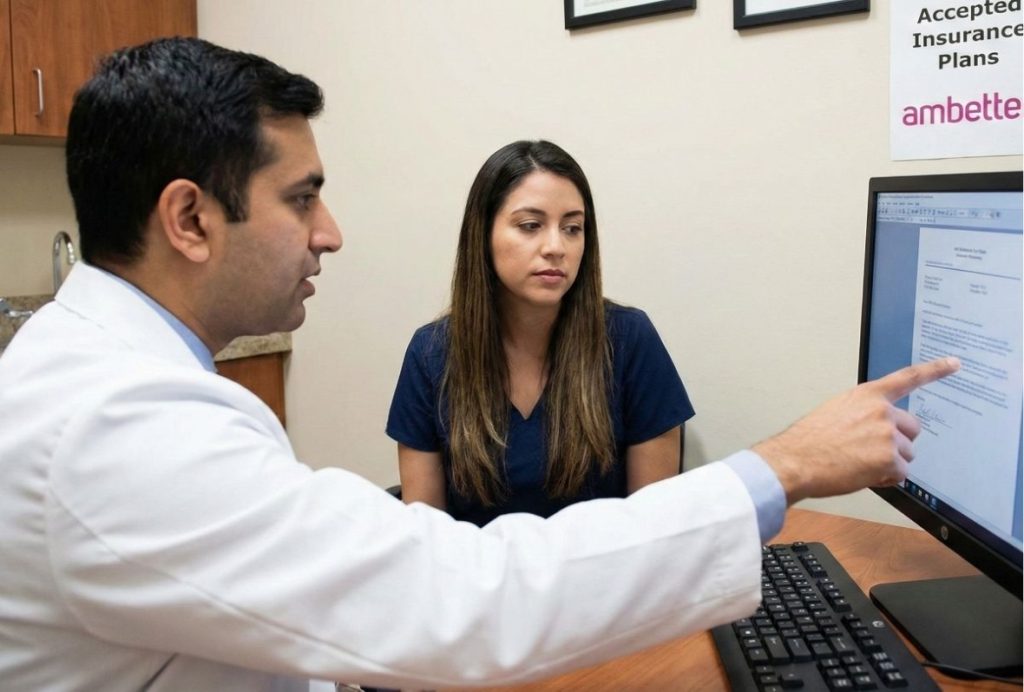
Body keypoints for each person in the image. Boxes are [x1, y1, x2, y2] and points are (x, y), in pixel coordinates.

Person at [0, 36, 958, 692]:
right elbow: (453, 590)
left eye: (572, 226)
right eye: (301, 200)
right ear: (190, 219)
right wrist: (782, 465)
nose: (330, 234)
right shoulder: (114, 426)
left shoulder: (112, 378)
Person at [387, 140, 694, 526]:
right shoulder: (431, 353)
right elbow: (427, 537)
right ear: (483, 235)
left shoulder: (629, 339)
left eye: (572, 228)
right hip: (481, 581)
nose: (556, 247)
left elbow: (655, 528)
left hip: (603, 579)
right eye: (530, 226)